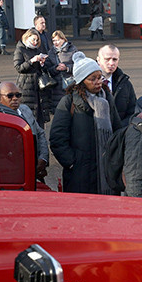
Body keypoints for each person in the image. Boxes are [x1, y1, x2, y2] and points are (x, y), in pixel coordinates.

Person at [49, 55, 122, 194]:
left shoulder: (107, 99)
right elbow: (57, 138)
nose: (98, 82)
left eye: (99, 77)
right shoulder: (68, 102)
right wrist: (72, 163)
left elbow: (117, 131)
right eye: (92, 79)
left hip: (107, 170)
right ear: (81, 82)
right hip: (80, 175)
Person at [0, 81, 49, 182]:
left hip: (35, 171)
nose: (15, 98)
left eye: (18, 95)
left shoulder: (25, 109)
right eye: (10, 96)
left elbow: (40, 133)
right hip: (12, 174)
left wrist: (43, 158)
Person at [13, 29, 56, 127]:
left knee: (40, 115)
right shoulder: (20, 49)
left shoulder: (38, 49)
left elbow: (43, 68)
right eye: (33, 40)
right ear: (27, 38)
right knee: (28, 114)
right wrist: (32, 61)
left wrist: (42, 63)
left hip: (39, 86)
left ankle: (40, 136)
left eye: (37, 40)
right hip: (26, 86)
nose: (35, 42)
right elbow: (18, 67)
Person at [97, 44, 137, 123]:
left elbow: (133, 111)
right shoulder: (86, 82)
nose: (111, 63)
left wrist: (121, 130)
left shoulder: (125, 84)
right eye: (107, 59)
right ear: (98, 60)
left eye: (114, 59)